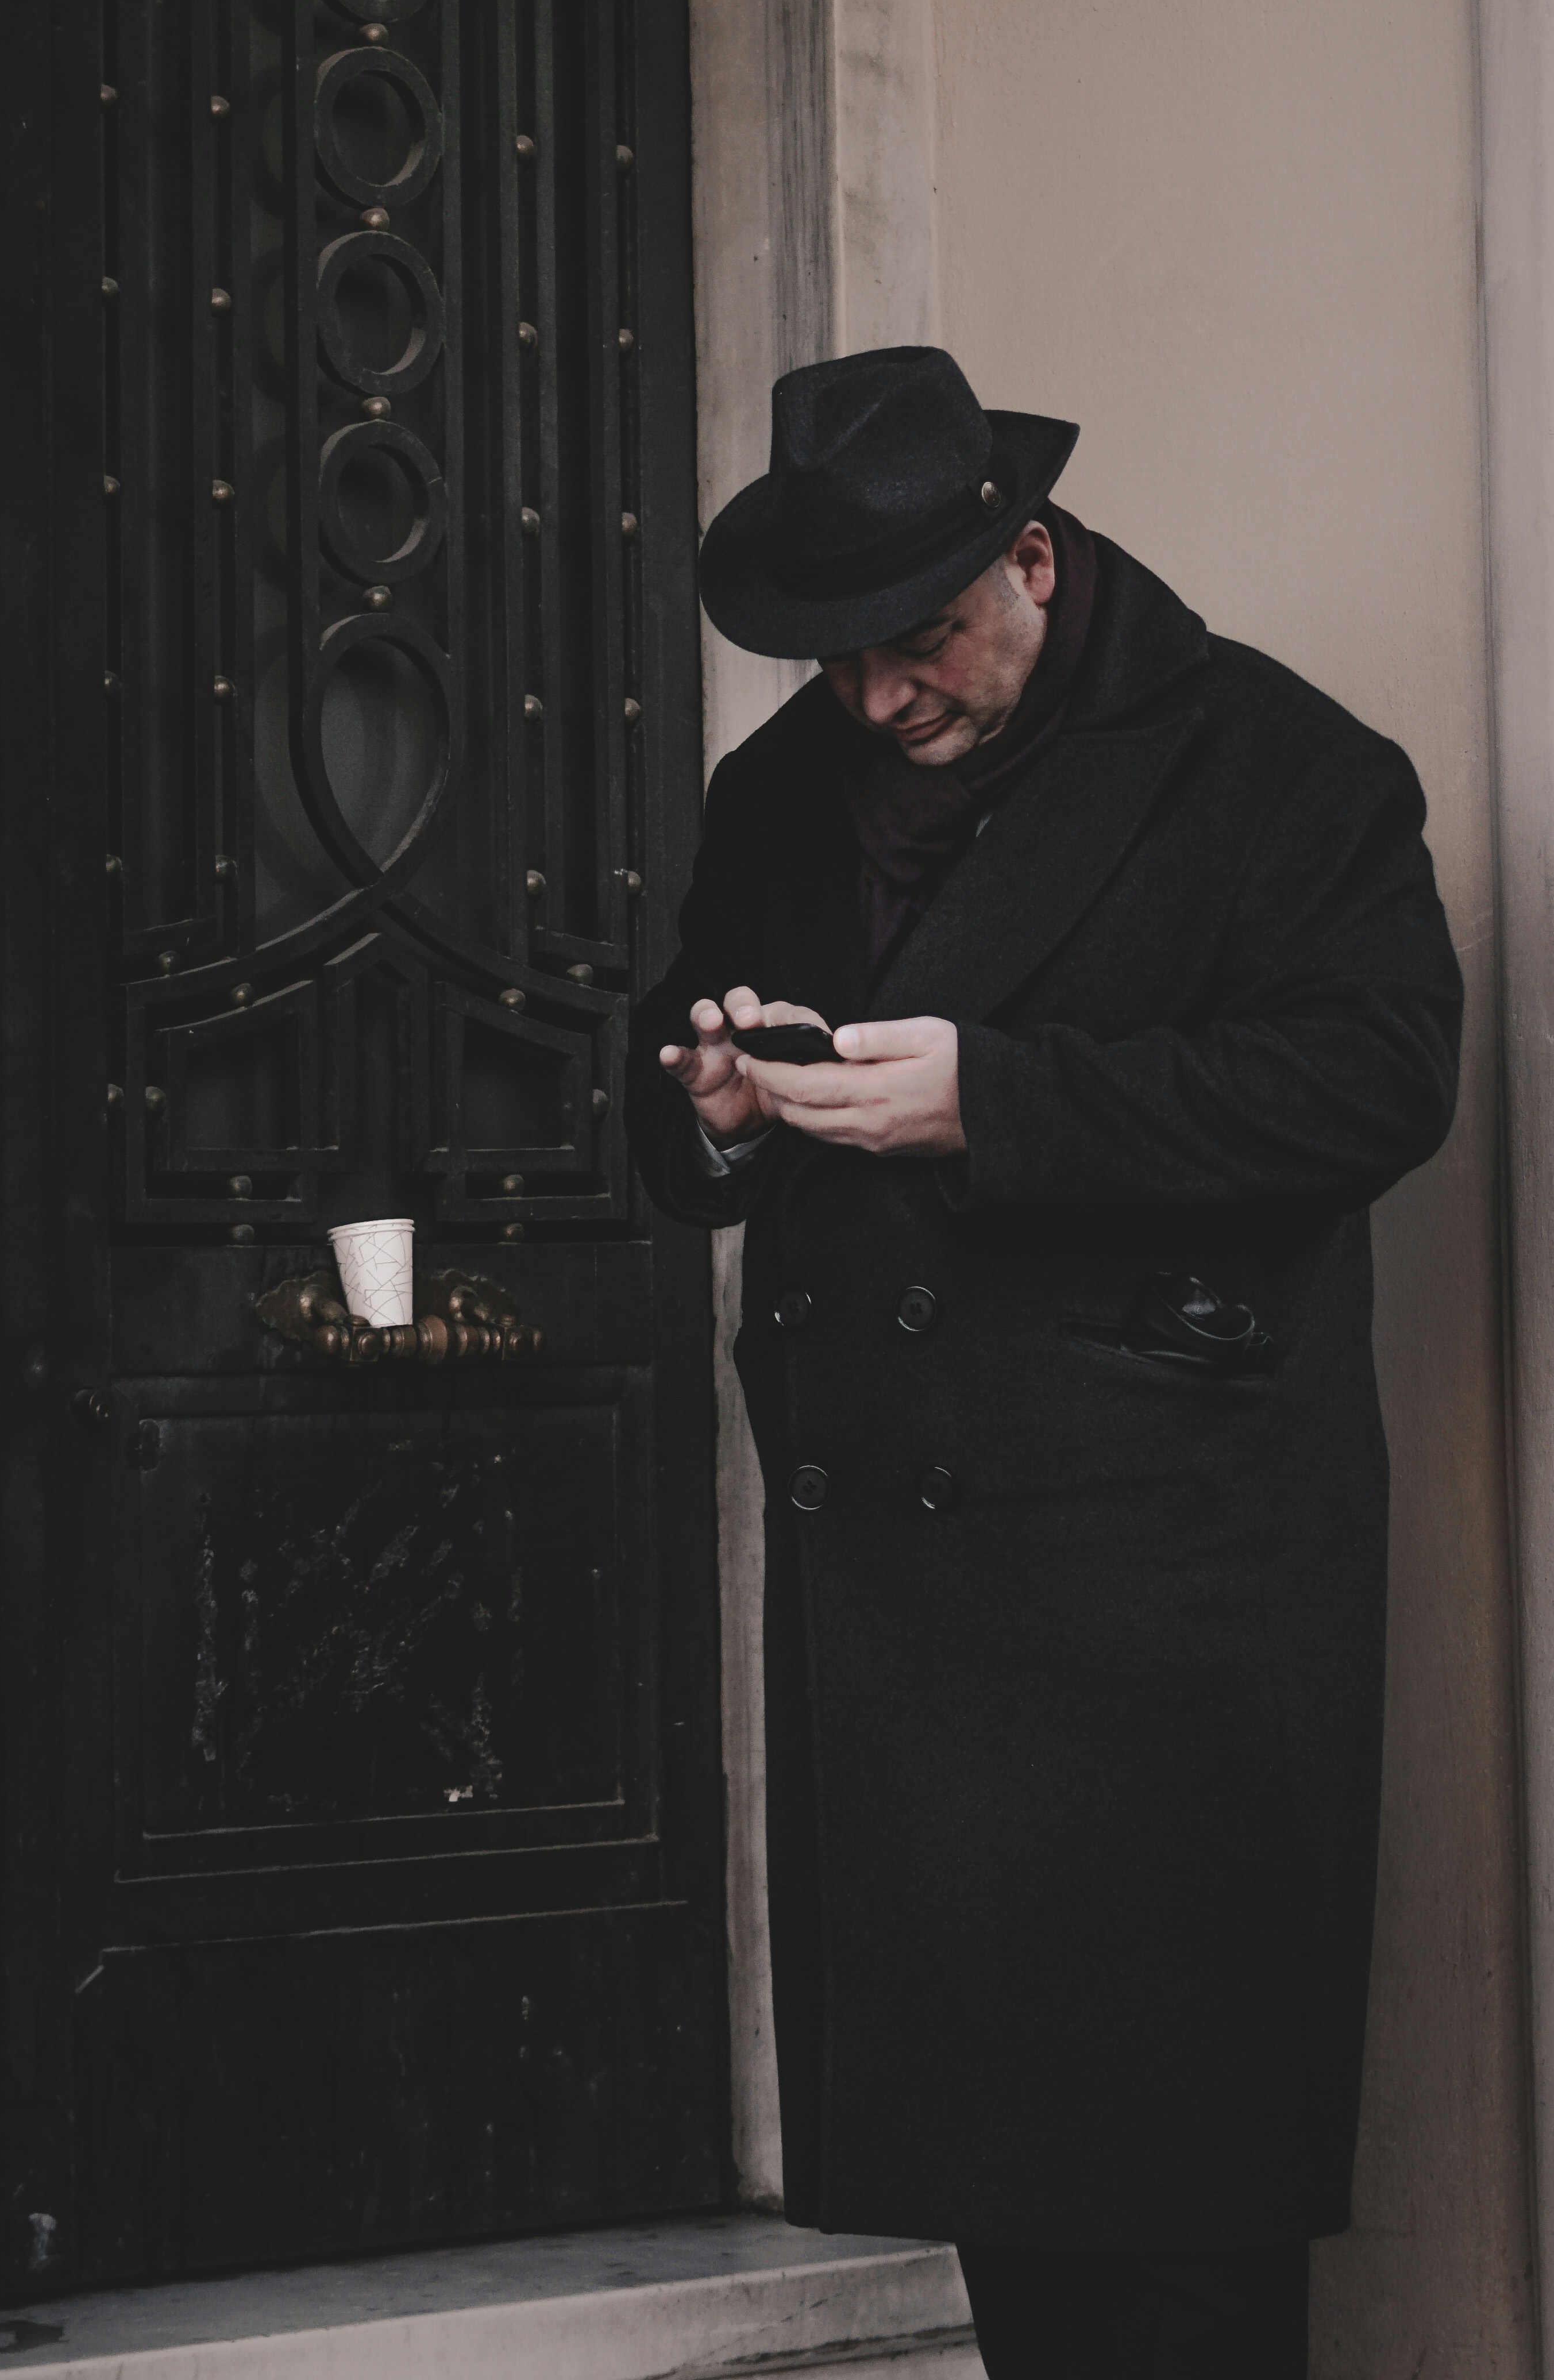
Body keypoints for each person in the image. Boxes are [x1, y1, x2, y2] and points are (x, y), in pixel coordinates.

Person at [626, 346, 1463, 2380]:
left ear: (1031, 558)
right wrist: (719, 1104)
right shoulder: (779, 790)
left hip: (1165, 1583)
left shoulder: (1280, 761)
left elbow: (1378, 1082)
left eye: (915, 642)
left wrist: (994, 1103)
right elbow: (678, 1097)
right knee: (1013, 2199)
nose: (877, 700)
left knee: (1176, 2212)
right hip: (904, 1589)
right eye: (837, 658)